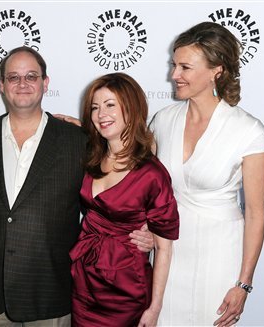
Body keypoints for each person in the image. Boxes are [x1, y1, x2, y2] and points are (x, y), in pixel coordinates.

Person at [0, 46, 154, 326]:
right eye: (13, 77)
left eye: (31, 76)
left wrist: (148, 228)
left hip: (51, 291)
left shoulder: (79, 141)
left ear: (45, 83)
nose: (22, 84)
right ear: (1, 85)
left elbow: (121, 185)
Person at [150, 22, 264, 326]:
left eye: (185, 67)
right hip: (167, 254)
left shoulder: (248, 130)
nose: (173, 75)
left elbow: (256, 214)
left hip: (219, 258)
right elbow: (134, 175)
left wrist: (243, 284)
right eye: (174, 65)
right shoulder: (163, 121)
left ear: (216, 69)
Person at [70, 73, 179, 326]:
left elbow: (164, 247)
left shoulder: (152, 174)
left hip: (126, 290)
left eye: (110, 105)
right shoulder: (90, 158)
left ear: (131, 108)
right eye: (95, 107)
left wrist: (154, 308)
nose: (100, 114)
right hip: (83, 282)